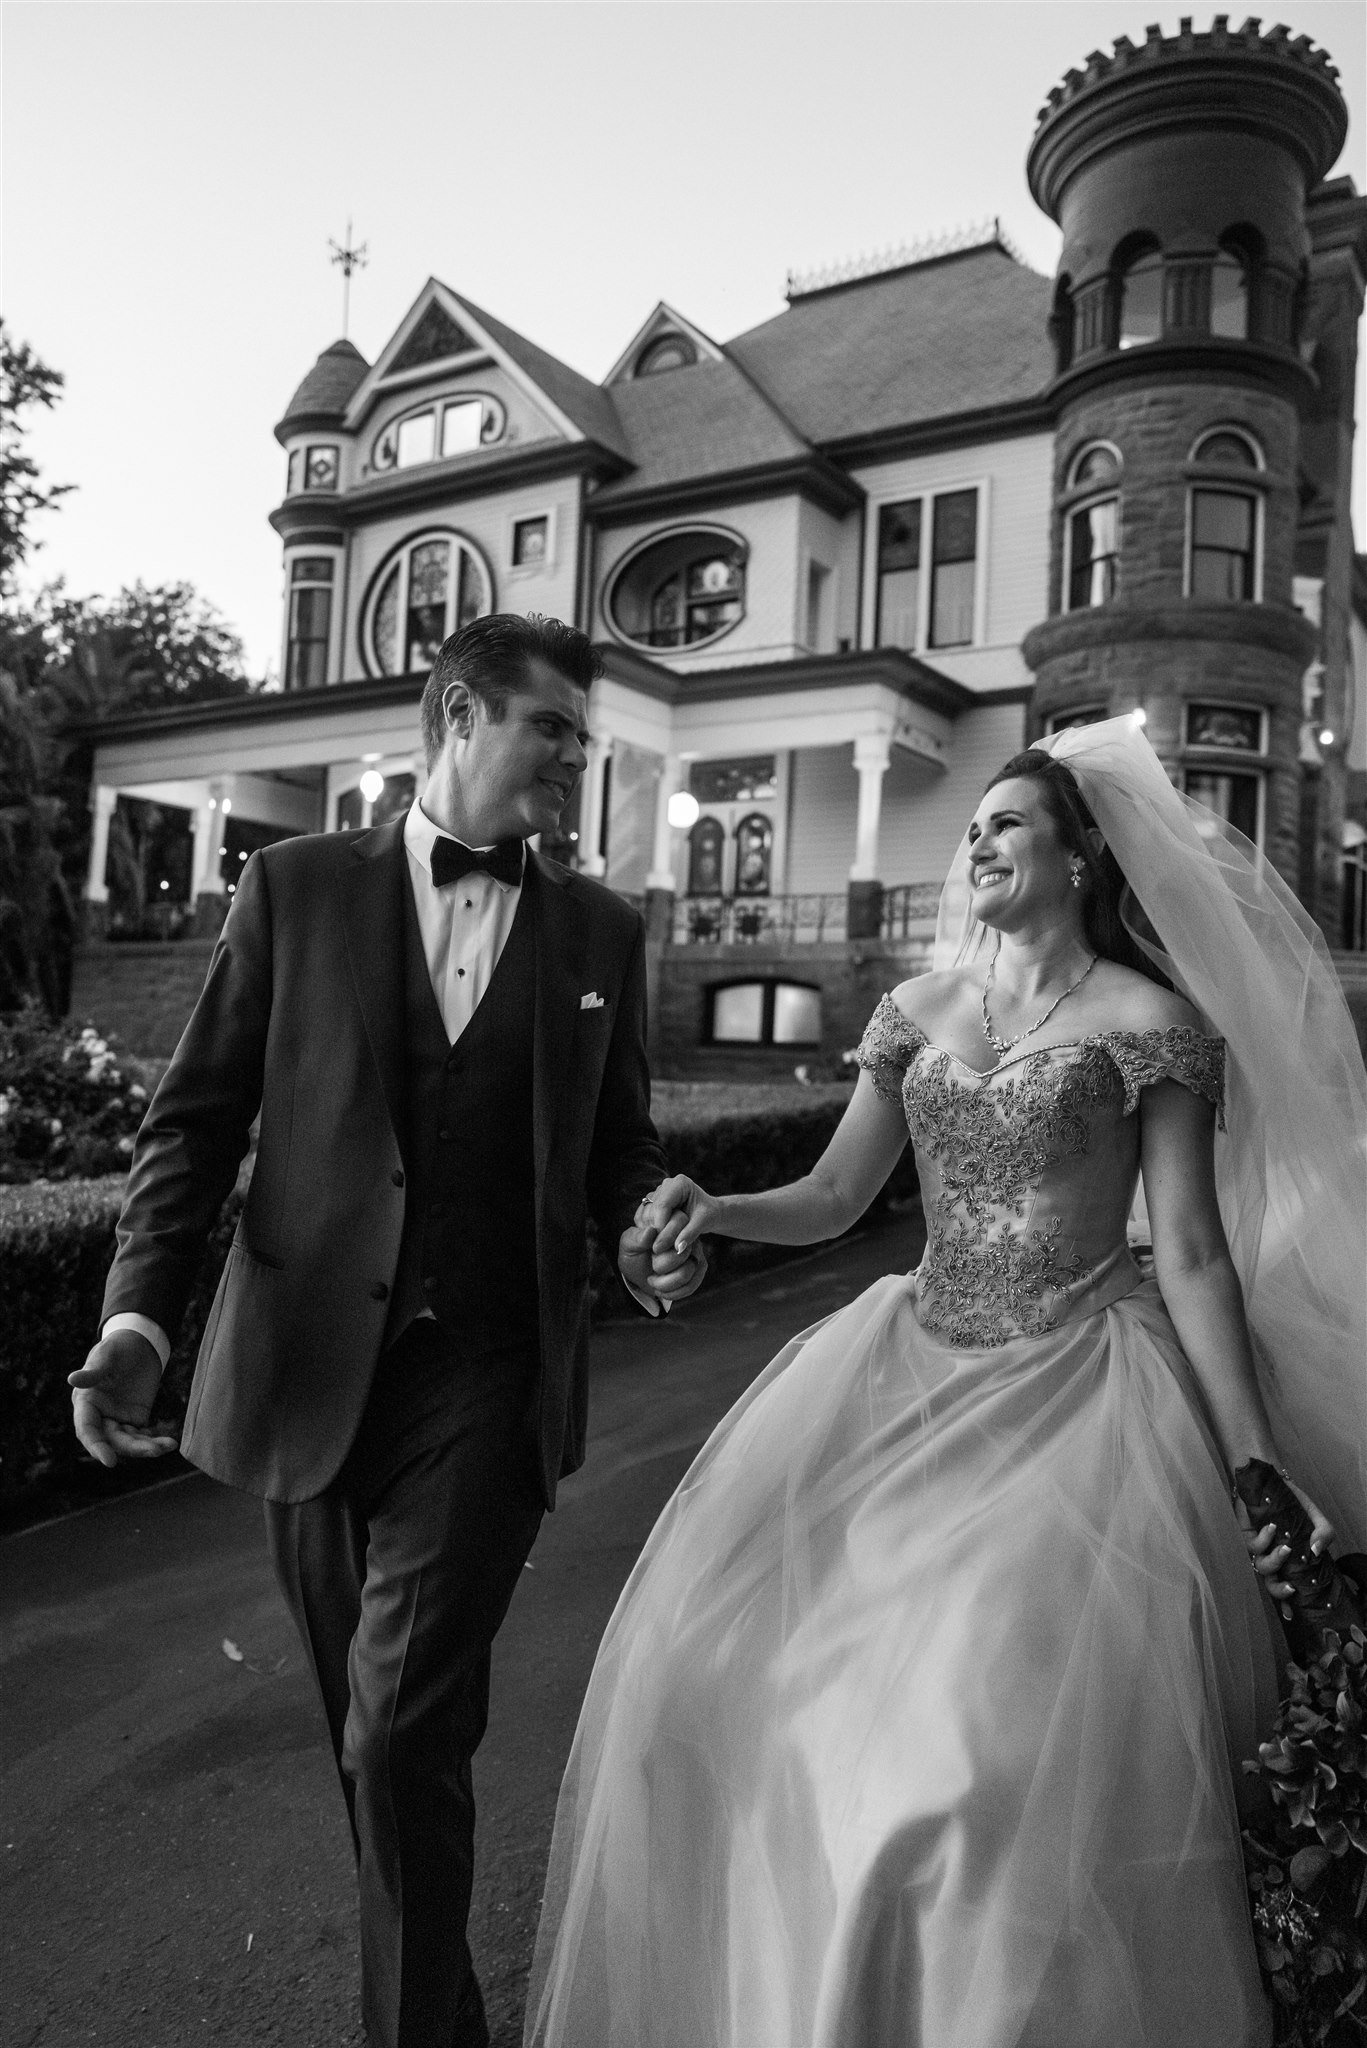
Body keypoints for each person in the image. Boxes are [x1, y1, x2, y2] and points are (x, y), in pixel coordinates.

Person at [524, 716, 1367, 2048]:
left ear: (1083, 859)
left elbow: (1194, 1254)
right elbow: (836, 1196)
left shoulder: (1151, 1025)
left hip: (1084, 1399)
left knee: (990, 1742)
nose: (978, 839)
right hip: (905, 1372)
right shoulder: (914, 1012)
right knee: (719, 1668)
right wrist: (717, 1206)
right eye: (972, 825)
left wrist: (1258, 1463)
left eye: (1008, 823)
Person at [68, 612, 706, 2048]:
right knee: (378, 1749)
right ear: (463, 713)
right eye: (552, 728)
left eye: (583, 738)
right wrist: (136, 1323)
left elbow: (619, 1153)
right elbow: (192, 1127)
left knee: (406, 1722)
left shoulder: (603, 930)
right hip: (301, 1376)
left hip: (488, 1374)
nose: (573, 759)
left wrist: (652, 1233)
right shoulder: (291, 889)